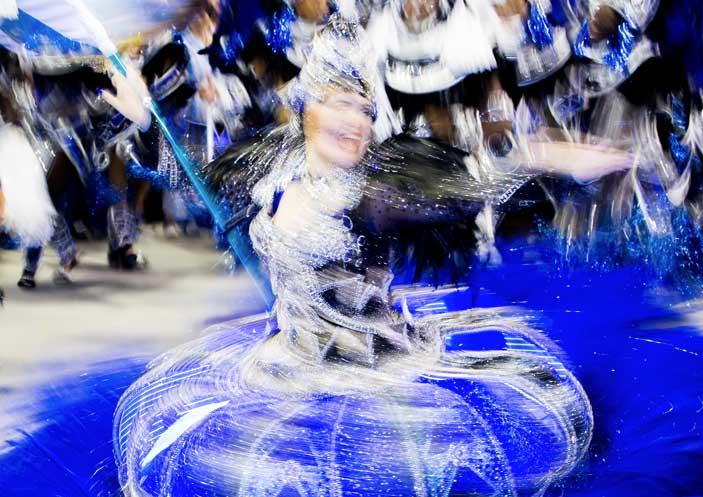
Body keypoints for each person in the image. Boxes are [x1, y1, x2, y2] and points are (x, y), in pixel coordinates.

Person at [112, 16, 647, 496]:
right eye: (340, 104)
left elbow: (465, 185)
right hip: (289, 363)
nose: (356, 122)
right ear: (307, 109)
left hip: (372, 372)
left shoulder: (374, 187)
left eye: (365, 109)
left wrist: (543, 155)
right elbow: (196, 181)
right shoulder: (271, 164)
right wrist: (146, 120)